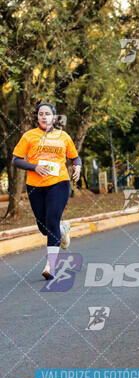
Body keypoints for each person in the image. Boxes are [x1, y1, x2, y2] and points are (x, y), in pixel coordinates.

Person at [12, 103, 81, 280]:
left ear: (54, 117)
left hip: (59, 183)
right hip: (35, 185)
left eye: (47, 114)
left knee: (51, 220)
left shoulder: (63, 136)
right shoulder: (29, 136)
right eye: (41, 114)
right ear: (37, 117)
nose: (44, 117)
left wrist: (77, 167)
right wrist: (34, 167)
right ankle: (62, 229)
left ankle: (51, 265)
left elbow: (74, 157)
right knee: (44, 227)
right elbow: (16, 160)